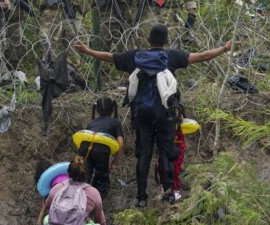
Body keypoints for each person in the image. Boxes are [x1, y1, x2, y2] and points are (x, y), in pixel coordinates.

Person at [75, 24, 232, 207]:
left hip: (141, 115)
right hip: (166, 115)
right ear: (166, 41)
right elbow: (203, 56)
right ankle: (168, 194)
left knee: (144, 155)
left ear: (148, 40)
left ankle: (142, 198)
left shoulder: (136, 56)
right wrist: (224, 48)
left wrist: (87, 51)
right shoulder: (172, 56)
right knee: (165, 152)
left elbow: (109, 57)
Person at [37, 156, 117, 225]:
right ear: (87, 174)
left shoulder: (56, 188)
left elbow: (47, 208)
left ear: (68, 172)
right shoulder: (94, 193)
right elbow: (100, 220)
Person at [78, 96, 124, 198]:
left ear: (97, 110)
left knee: (84, 177)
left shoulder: (91, 123)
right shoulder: (115, 122)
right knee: (102, 181)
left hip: (84, 148)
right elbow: (120, 144)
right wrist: (115, 162)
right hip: (101, 150)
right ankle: (95, 207)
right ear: (112, 109)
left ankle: (80, 203)